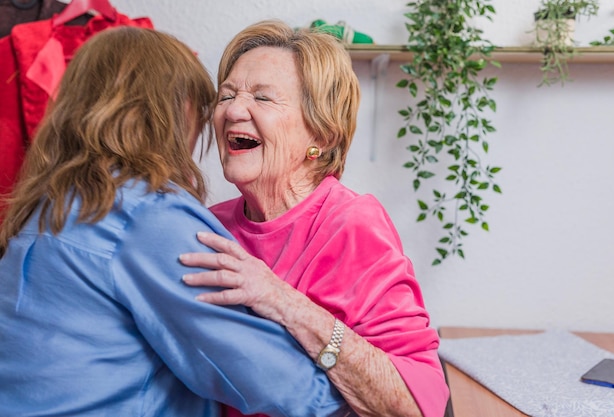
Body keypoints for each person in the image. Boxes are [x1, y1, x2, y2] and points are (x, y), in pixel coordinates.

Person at [0, 26, 354, 417]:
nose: (221, 118)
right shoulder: (147, 218)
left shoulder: (47, 207)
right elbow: (282, 383)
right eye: (217, 103)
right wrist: (371, 385)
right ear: (169, 110)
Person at [179, 20, 450, 417]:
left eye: (263, 98)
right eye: (227, 96)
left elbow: (414, 405)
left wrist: (281, 300)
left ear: (321, 136)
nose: (234, 110)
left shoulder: (351, 225)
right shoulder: (208, 225)